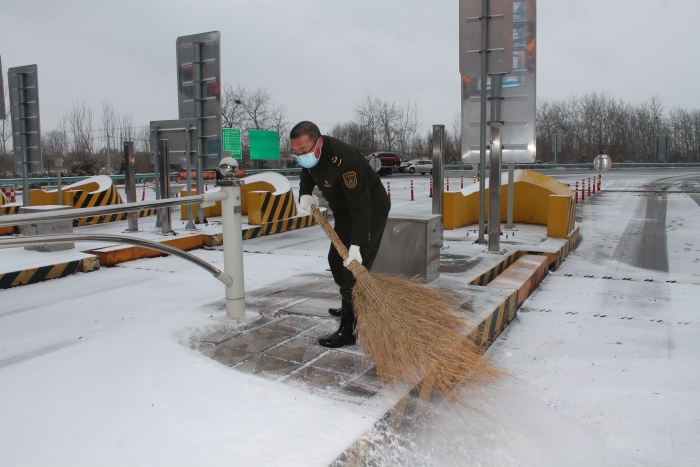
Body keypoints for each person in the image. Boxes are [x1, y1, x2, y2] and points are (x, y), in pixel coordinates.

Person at [290, 121, 390, 348]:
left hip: (369, 211)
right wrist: (304, 194)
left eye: (304, 151)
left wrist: (357, 246)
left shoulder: (345, 161)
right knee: (335, 260)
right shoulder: (311, 156)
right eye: (296, 153)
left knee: (352, 268)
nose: (301, 156)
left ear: (319, 143)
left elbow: (362, 207)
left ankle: (349, 330)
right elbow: (306, 172)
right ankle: (351, 302)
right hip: (345, 211)